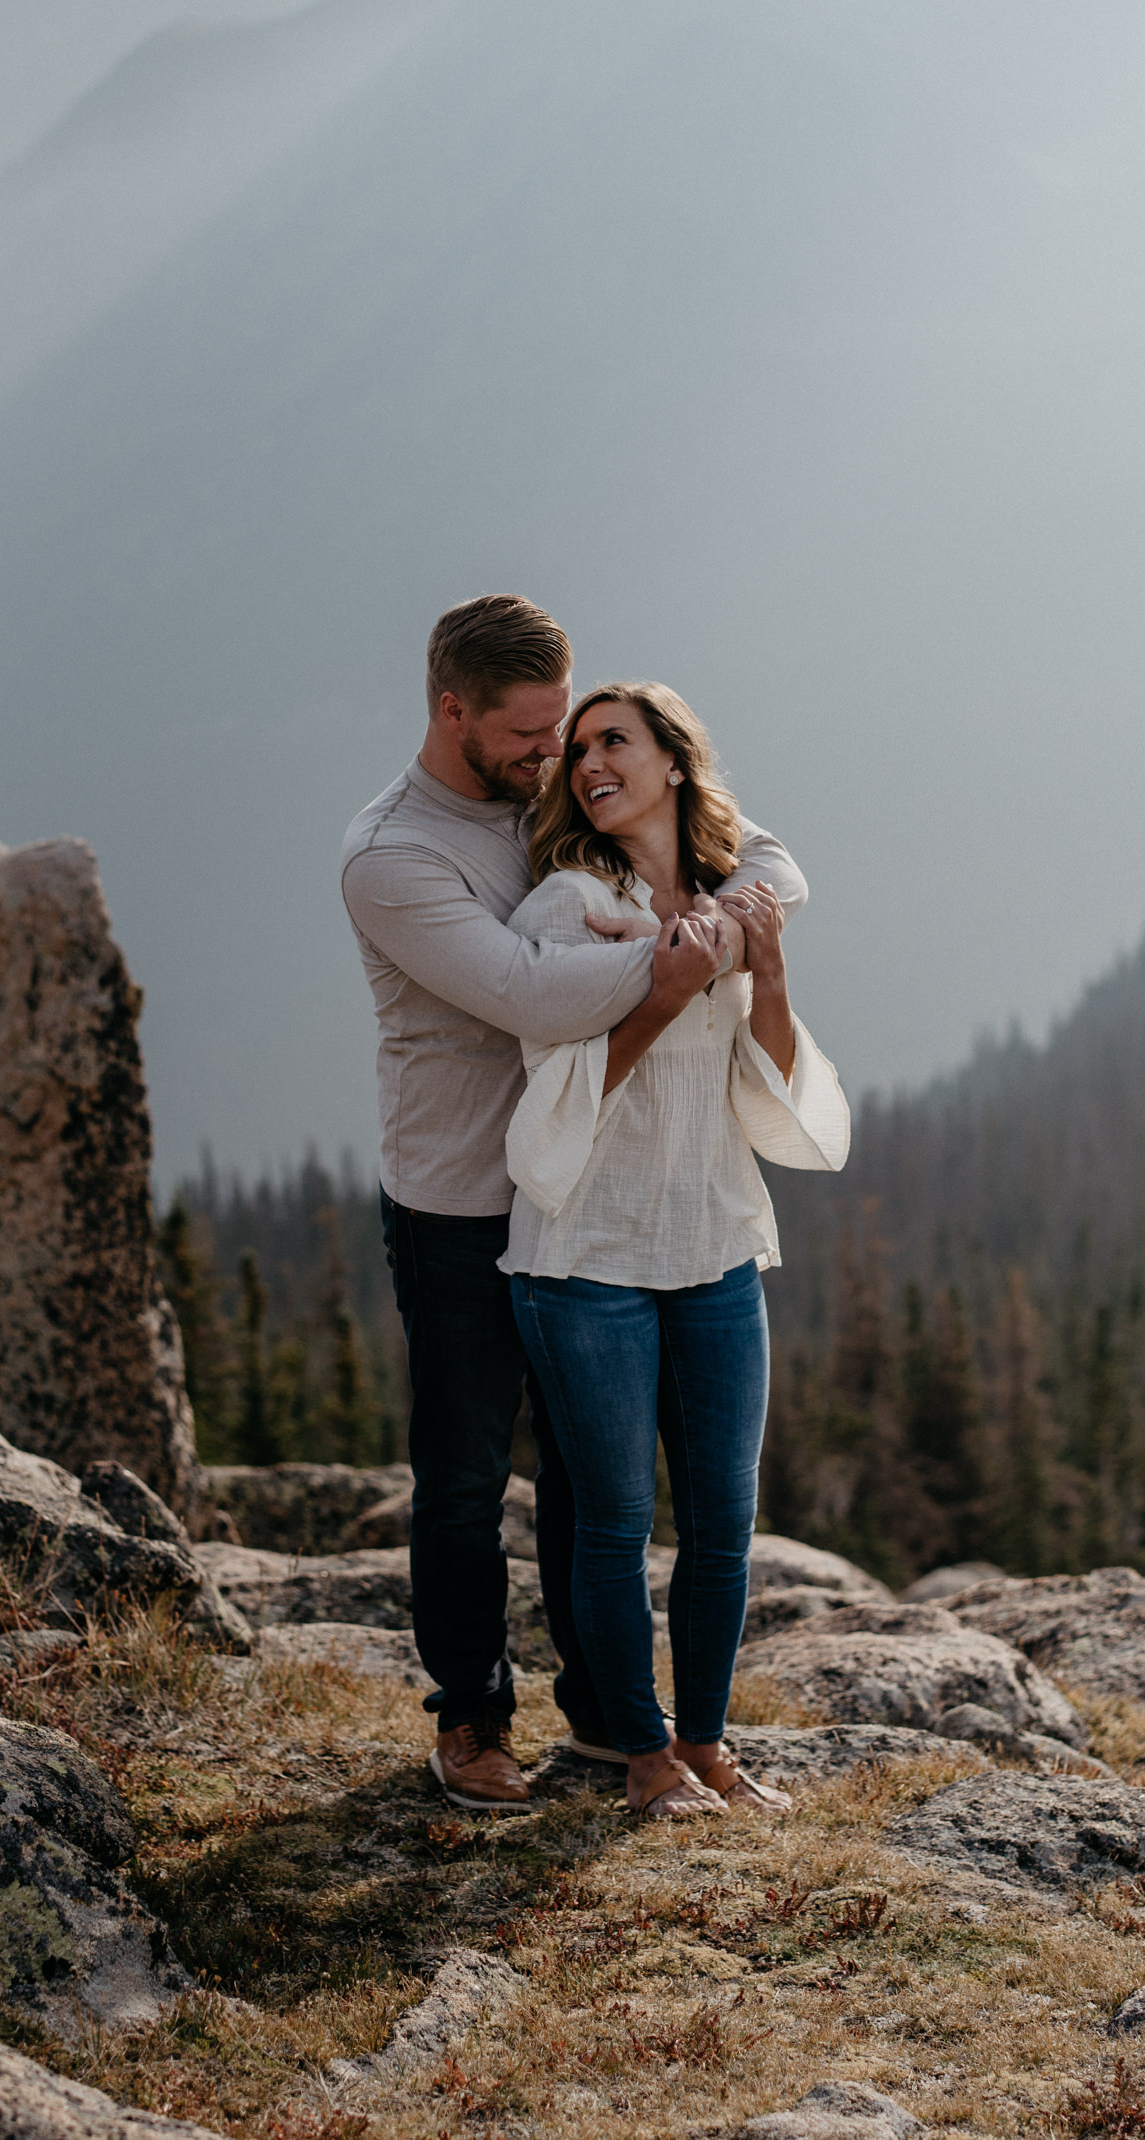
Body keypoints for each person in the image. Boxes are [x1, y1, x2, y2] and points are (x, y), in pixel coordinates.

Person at [340, 595, 807, 1811]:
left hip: (597, 1195)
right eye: (530, 732)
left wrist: (716, 910)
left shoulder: (560, 801)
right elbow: (534, 996)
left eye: (570, 726)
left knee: (589, 1481)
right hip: (463, 1196)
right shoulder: (395, 854)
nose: (556, 753)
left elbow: (756, 853)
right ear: (454, 711)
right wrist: (682, 955)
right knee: (463, 1472)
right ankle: (473, 1714)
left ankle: (606, 1720)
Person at [501, 681, 850, 1822]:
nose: (590, 761)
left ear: (673, 761)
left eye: (616, 741)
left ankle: (706, 1745)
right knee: (611, 1518)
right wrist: (664, 985)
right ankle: (641, 1756)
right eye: (580, 749)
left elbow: (774, 1070)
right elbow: (559, 1088)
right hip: (586, 1253)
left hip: (713, 1243)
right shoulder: (563, 906)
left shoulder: (738, 891)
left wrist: (764, 965)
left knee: (721, 1520)